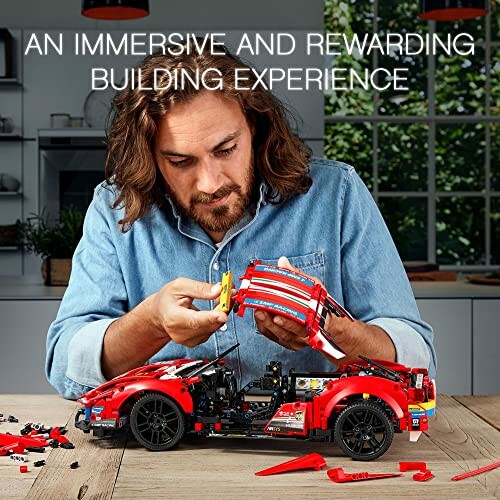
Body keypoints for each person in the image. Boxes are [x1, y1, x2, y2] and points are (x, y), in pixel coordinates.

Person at [46, 42, 436, 400]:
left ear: (255, 127)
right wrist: (151, 324)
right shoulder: (115, 208)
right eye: (180, 162)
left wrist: (326, 327)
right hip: (159, 450)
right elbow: (65, 364)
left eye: (226, 149)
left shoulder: (337, 194)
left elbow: (416, 359)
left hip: (314, 450)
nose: (209, 183)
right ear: (151, 156)